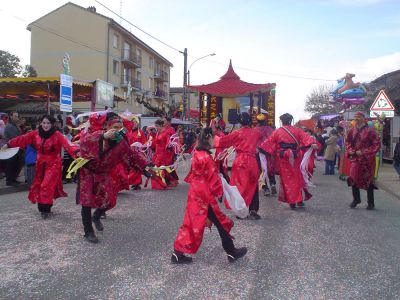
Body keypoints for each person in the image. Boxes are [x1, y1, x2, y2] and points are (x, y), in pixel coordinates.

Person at [171, 128, 247, 264]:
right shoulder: (206, 157)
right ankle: (231, 252)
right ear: (209, 138)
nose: (214, 141)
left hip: (196, 192)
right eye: (214, 138)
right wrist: (219, 192)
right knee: (220, 222)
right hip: (204, 195)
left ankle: (177, 253)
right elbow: (213, 178)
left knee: (191, 223)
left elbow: (194, 174)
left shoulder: (198, 154)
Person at [77, 112, 150, 243]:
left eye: (120, 128)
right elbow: (84, 143)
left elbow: (132, 156)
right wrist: (102, 136)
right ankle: (88, 232)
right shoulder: (96, 135)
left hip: (103, 173)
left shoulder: (121, 143)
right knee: (87, 202)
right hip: (88, 172)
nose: (118, 131)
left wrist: (146, 167)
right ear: (106, 127)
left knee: (110, 200)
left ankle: (97, 215)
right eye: (115, 127)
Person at [2, 115, 79, 218]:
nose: (46, 125)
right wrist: (9, 144)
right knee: (40, 185)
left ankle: (45, 208)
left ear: (52, 124)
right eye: (44, 123)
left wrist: (78, 153)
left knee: (46, 185)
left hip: (53, 164)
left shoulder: (57, 135)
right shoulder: (35, 134)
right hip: (40, 163)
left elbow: (68, 145)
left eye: (48, 123)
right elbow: (22, 139)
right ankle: (45, 205)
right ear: (41, 123)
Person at [259, 113, 316, 209]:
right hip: (296, 155)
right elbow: (308, 140)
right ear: (291, 120)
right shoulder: (297, 130)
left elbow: (268, 143)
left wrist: (260, 149)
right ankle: (299, 199)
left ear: (282, 121)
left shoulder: (277, 132)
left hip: (283, 157)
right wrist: (311, 144)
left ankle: (292, 200)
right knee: (297, 177)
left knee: (287, 179)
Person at [215, 112, 262, 219]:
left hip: (241, 161)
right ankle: (253, 209)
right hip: (253, 161)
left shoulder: (237, 133)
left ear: (240, 122)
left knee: (239, 186)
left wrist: (216, 133)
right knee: (253, 185)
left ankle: (240, 209)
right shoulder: (256, 133)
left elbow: (222, 141)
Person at [346, 112, 380, 210]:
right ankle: (356, 199)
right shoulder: (352, 130)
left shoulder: (371, 130)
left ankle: (371, 203)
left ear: (363, 118)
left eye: (358, 117)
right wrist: (352, 151)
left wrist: (364, 152)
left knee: (368, 180)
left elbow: (376, 145)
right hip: (356, 158)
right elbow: (348, 142)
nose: (356, 119)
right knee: (353, 177)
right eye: (355, 117)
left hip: (367, 160)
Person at [255, 113, 276, 196]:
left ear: (258, 121)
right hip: (269, 152)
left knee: (261, 170)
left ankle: (265, 188)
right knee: (270, 169)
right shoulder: (270, 129)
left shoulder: (255, 129)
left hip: (259, 152)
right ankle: (272, 184)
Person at [4, 111, 24, 186]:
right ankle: (9, 181)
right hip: (11, 148)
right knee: (11, 165)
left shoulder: (16, 125)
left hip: (16, 148)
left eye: (17, 116)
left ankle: (13, 179)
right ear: (11, 117)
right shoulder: (9, 126)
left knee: (16, 165)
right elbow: (14, 137)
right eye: (15, 116)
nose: (17, 118)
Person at [127, 118, 147, 190]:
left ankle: (136, 183)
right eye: (133, 122)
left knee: (137, 168)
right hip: (130, 152)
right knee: (133, 168)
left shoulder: (141, 132)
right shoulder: (128, 132)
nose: (134, 124)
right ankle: (134, 182)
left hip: (138, 152)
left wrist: (141, 146)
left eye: (136, 122)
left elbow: (144, 142)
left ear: (138, 124)